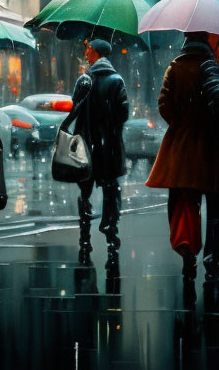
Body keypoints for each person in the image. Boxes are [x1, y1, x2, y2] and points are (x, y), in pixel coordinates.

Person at [146, 32, 219, 305]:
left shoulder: (175, 66)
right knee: (215, 202)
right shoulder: (210, 66)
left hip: (180, 146)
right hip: (210, 144)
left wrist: (180, 123)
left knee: (183, 202)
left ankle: (187, 248)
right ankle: (212, 259)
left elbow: (164, 104)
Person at [69, 38, 129, 271]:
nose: (85, 52)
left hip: (87, 145)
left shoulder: (85, 80)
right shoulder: (116, 80)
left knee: (85, 190)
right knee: (110, 188)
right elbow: (123, 113)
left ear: (96, 53)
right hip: (110, 147)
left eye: (88, 49)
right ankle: (111, 233)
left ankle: (85, 234)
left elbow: (75, 109)